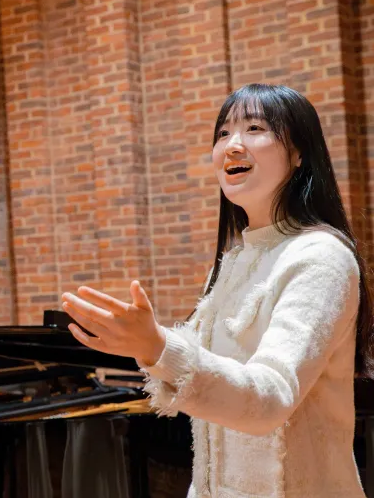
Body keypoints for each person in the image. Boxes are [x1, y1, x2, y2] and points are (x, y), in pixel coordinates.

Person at [60, 84, 373, 497]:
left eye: (255, 128)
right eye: (223, 133)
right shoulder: (234, 260)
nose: (232, 145)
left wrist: (158, 346)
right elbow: (211, 429)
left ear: (299, 153)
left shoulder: (320, 257)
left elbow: (270, 399)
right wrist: (145, 346)